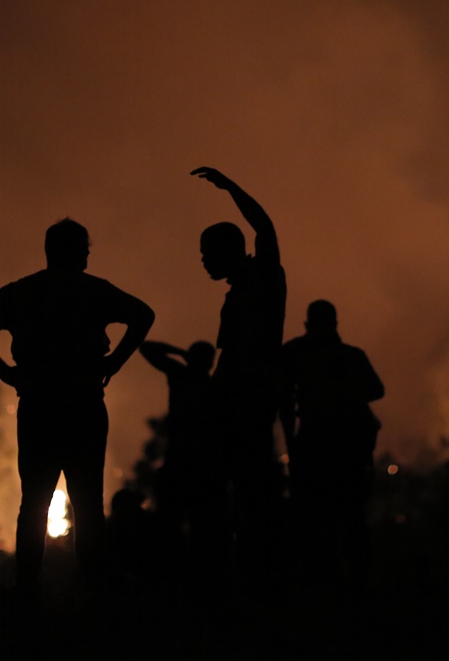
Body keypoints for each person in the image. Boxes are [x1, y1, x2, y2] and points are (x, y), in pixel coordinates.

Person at [0, 218, 154, 604]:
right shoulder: (94, 292)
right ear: (77, 252)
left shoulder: (24, 293)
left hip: (39, 406)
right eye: (84, 249)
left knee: (34, 500)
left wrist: (7, 373)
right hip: (83, 404)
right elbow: (143, 315)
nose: (87, 255)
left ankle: (28, 586)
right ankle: (93, 585)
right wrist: (113, 364)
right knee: (87, 501)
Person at [191, 166, 287, 584]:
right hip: (235, 402)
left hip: (248, 402)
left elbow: (264, 225)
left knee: (248, 494)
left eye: (208, 253)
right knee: (236, 495)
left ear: (230, 250)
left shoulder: (263, 276)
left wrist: (230, 188)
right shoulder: (243, 287)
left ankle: (254, 577)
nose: (203, 261)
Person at [279, 300, 384, 590]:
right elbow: (375, 390)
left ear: (307, 324)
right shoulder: (351, 356)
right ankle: (353, 586)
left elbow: (284, 403)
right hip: (347, 448)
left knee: (313, 519)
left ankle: (321, 585)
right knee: (350, 518)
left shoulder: (294, 353)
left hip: (316, 446)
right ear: (335, 324)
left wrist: (292, 443)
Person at [138, 340, 229, 569]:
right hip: (202, 466)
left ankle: (173, 574)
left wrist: (180, 352)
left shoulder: (181, 376)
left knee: (171, 525)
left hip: (181, 462)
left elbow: (147, 348)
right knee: (201, 528)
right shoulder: (213, 387)